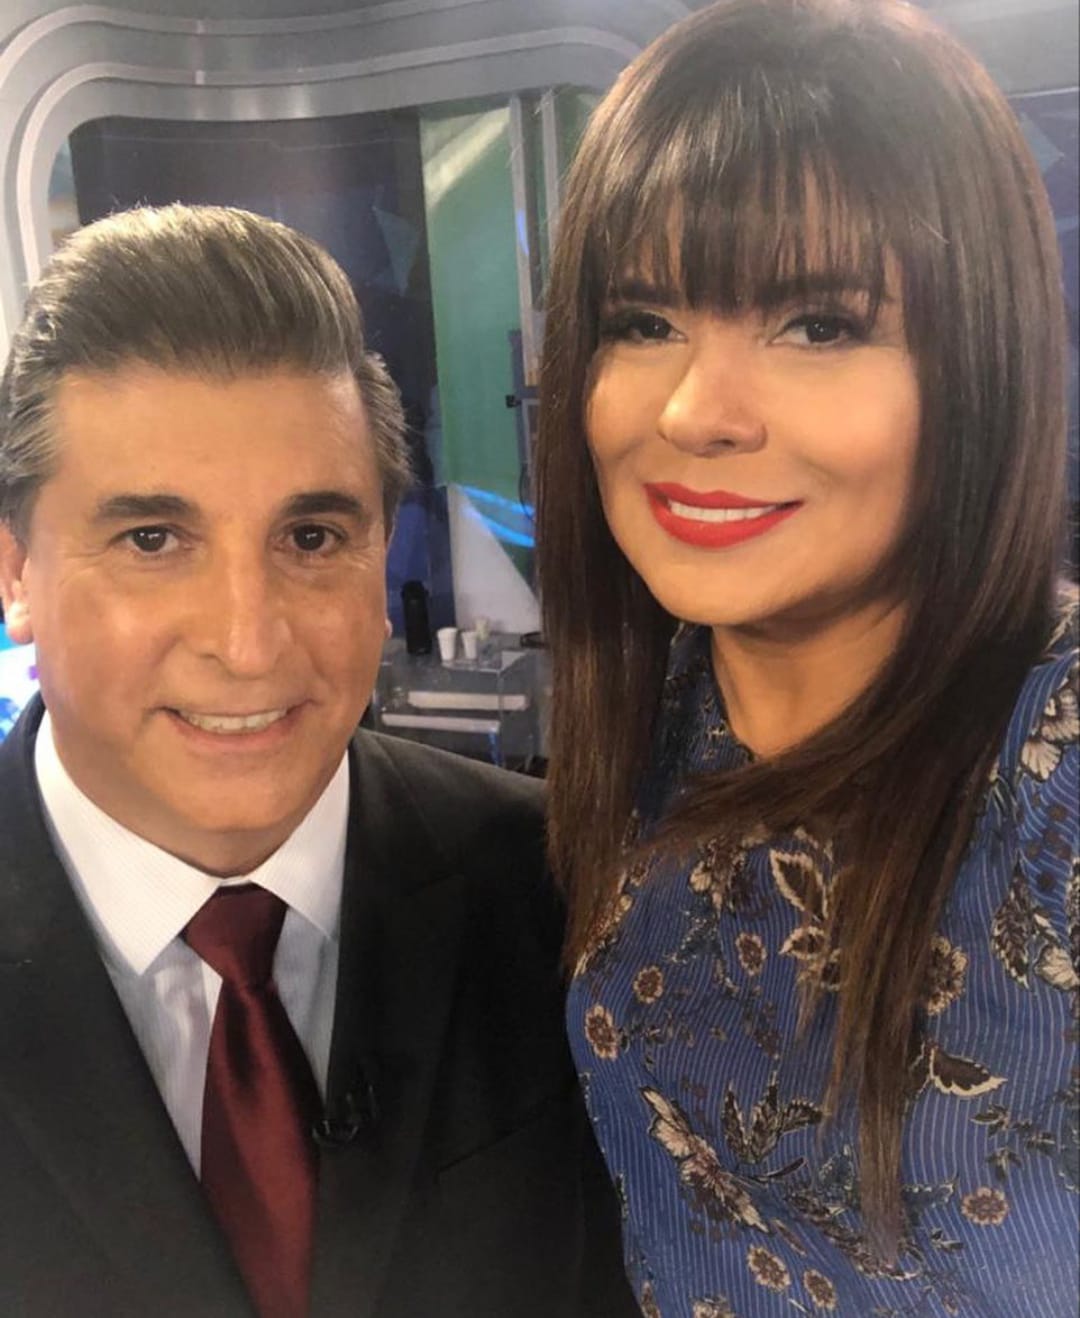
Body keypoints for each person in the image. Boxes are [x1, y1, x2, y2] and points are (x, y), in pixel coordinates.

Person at [534, 1, 1079, 1314]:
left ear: (979, 363)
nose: (693, 410)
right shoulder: (657, 712)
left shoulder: (1054, 771)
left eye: (819, 325)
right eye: (642, 320)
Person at [0, 204, 635, 1318]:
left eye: (311, 538)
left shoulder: (554, 885)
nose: (248, 643)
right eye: (152, 540)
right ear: (15, 572)